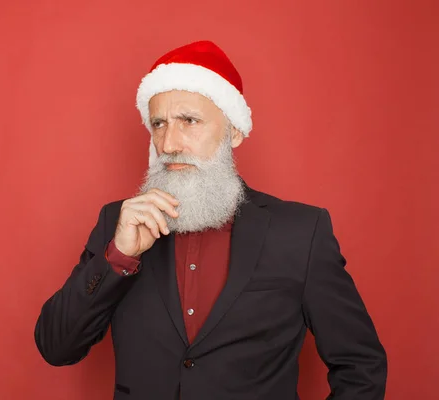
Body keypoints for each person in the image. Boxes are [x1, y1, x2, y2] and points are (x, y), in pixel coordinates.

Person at [34, 40, 387, 400]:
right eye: (159, 124)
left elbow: (361, 366)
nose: (169, 143)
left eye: (189, 121)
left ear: (233, 132)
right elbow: (56, 346)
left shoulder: (300, 232)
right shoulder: (118, 223)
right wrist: (119, 256)